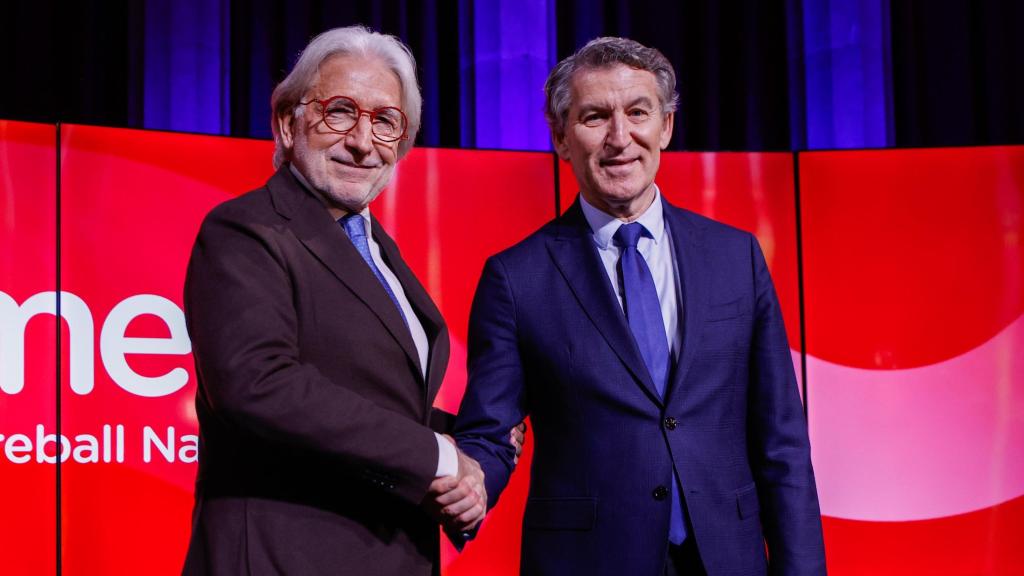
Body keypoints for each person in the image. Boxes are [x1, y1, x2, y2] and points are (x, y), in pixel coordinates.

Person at [453, 37, 827, 575]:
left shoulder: (736, 257)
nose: (619, 138)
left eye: (638, 113)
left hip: (725, 558)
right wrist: (465, 483)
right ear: (560, 136)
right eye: (595, 116)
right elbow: (491, 429)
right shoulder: (516, 277)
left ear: (666, 127)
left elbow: (781, 440)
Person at [181, 26, 490, 575]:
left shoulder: (376, 246)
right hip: (283, 558)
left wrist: (465, 441)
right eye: (340, 111)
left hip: (389, 552)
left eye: (385, 121)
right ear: (286, 122)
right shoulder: (245, 230)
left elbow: (370, 393)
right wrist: (437, 456)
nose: (362, 141)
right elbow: (259, 385)